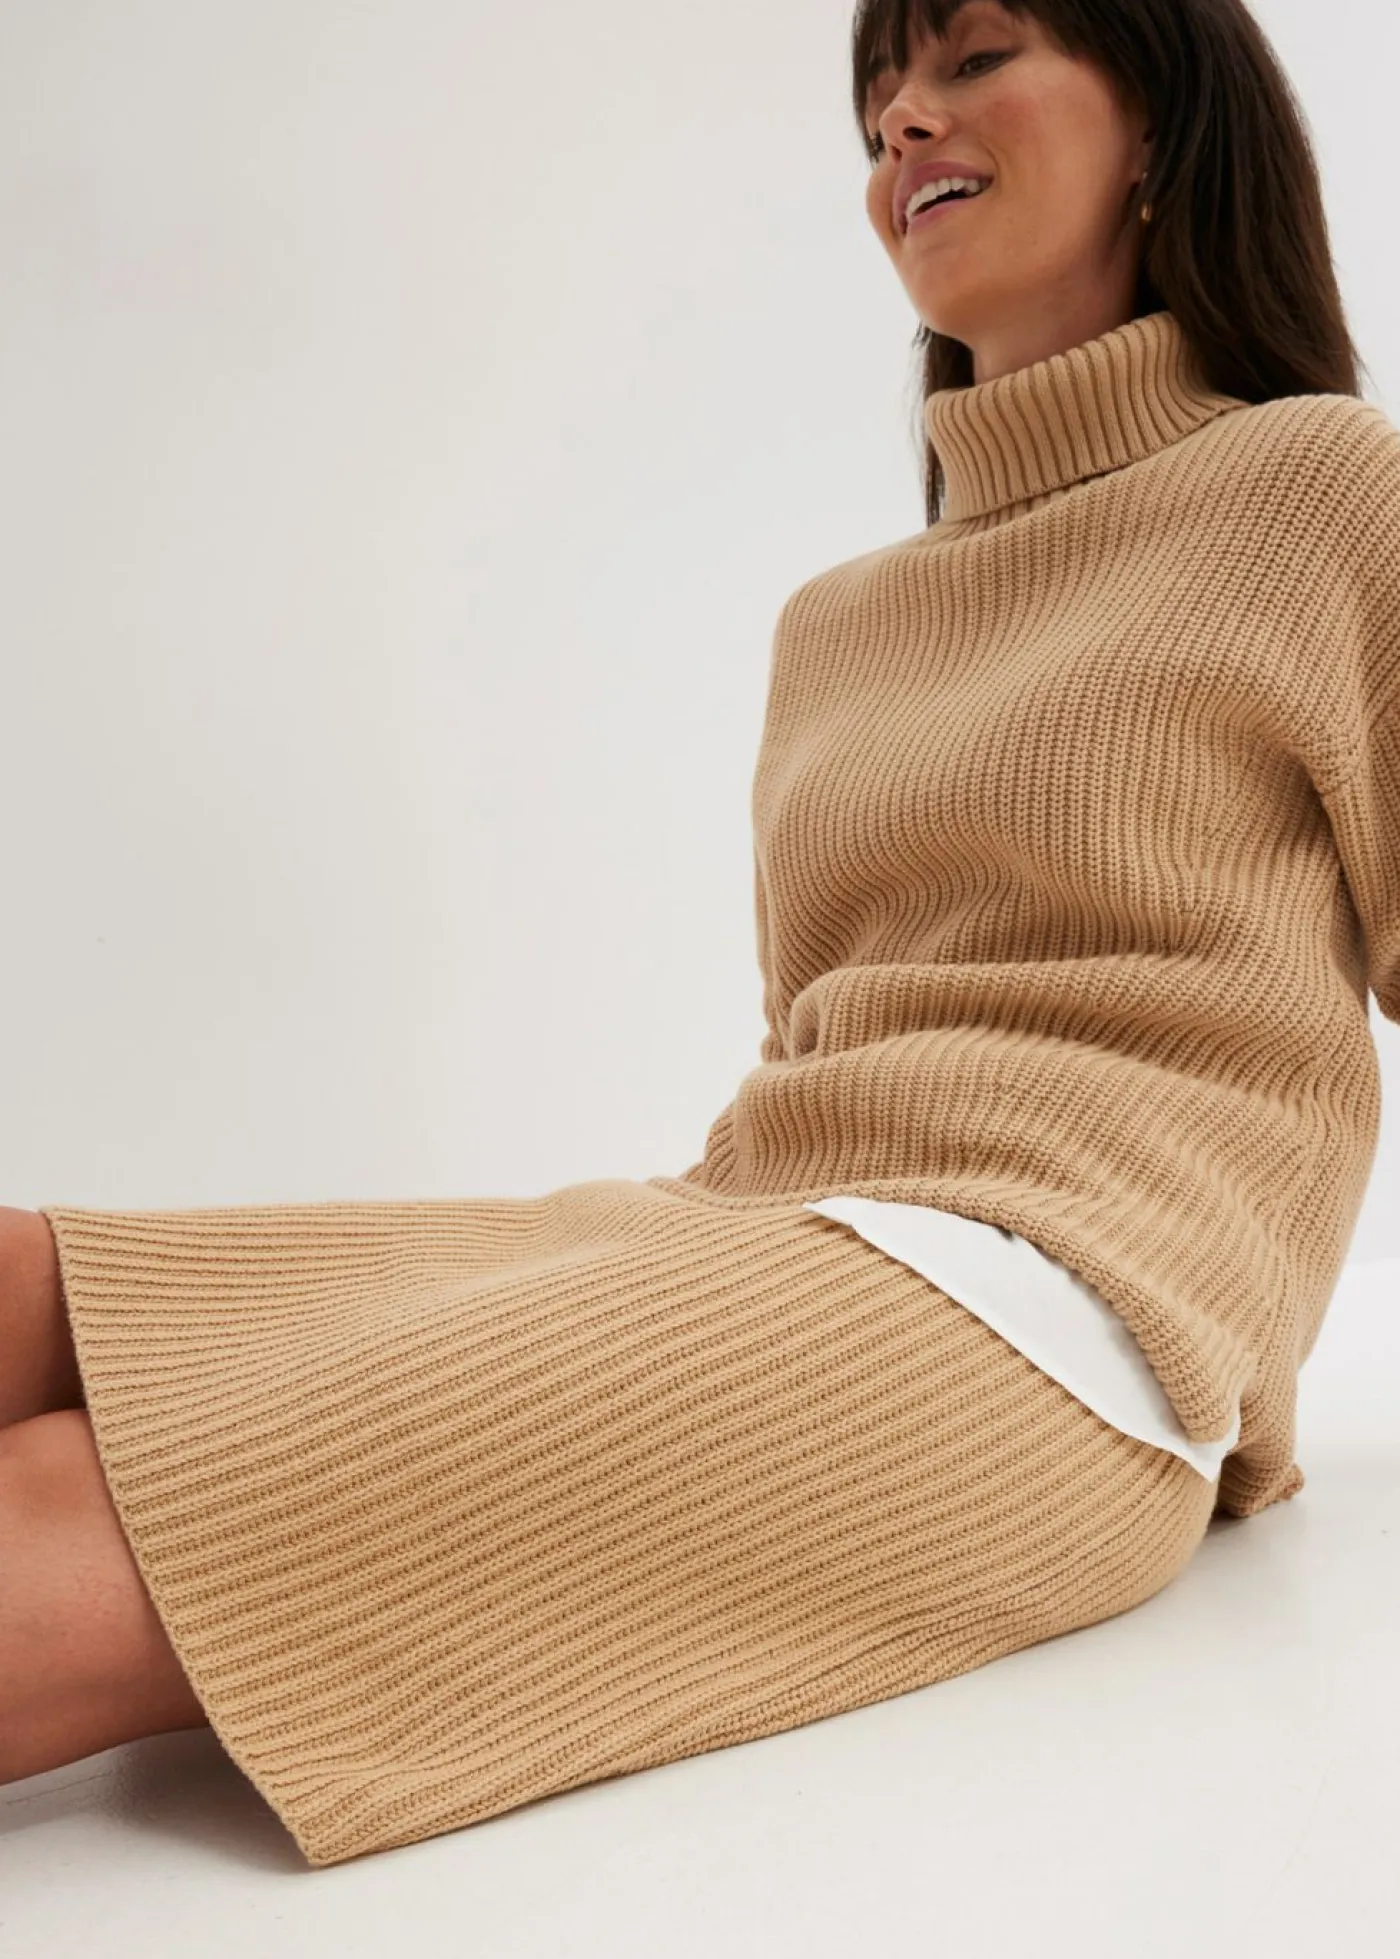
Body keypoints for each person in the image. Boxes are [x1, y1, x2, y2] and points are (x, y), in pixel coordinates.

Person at [2, 0, 1396, 1870]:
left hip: (1065, 1318)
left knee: (73, 1514)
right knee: (31, 1286)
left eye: (973, 58)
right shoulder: (839, 621)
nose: (903, 125)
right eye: (878, 100)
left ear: (1160, 121)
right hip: (762, 1222)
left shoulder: (1321, 488)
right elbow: (822, 1043)